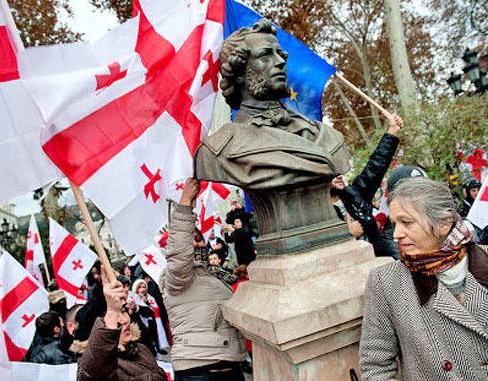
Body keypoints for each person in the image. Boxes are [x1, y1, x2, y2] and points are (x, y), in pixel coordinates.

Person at [194, 19, 350, 190]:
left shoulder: (326, 135)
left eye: (280, 54)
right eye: (265, 55)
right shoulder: (217, 150)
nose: (281, 61)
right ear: (239, 73)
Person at [359, 177, 488, 380]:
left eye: (407, 223)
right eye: (394, 224)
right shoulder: (386, 282)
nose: (397, 234)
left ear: (444, 223)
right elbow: (376, 367)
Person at [160, 178, 246, 381]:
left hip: (229, 368)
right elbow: (180, 254)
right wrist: (184, 204)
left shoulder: (210, 271)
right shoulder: (175, 277)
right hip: (199, 373)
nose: (197, 244)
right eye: (190, 238)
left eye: (198, 238)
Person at [76, 269, 168, 381]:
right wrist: (111, 311)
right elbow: (95, 371)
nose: (125, 320)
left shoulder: (141, 348)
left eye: (123, 311)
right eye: (114, 315)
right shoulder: (94, 366)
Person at [331, 112, 403, 247]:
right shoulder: (314, 214)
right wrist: (346, 234)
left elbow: (376, 165)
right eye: (332, 174)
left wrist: (392, 130)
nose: (339, 175)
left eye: (339, 171)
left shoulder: (354, 194)